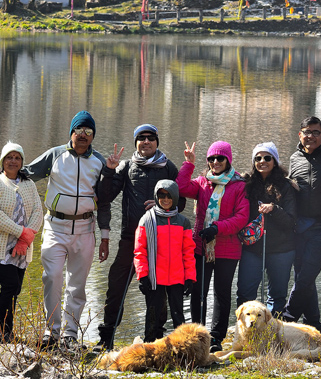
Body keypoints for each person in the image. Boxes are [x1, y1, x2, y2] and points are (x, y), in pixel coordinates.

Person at [23, 110, 112, 350]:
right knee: (51, 277)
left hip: (85, 227)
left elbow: (104, 202)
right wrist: (1, 176)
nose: (83, 135)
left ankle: (70, 334)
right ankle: (51, 331)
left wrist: (104, 237)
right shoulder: (55, 155)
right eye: (79, 130)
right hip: (56, 226)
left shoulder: (100, 161)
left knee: (78, 284)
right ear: (71, 132)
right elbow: (27, 173)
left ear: (93, 136)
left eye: (88, 131)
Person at [95, 124, 182, 350]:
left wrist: (162, 203)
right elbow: (104, 197)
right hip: (130, 239)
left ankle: (152, 342)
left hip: (160, 241)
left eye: (150, 138)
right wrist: (108, 171)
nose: (146, 142)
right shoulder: (126, 166)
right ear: (135, 143)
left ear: (156, 142)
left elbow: (181, 202)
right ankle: (106, 340)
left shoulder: (169, 167)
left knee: (155, 292)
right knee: (116, 286)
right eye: (141, 138)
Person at [177, 140, 248, 352]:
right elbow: (179, 187)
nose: (215, 162)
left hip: (228, 248)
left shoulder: (239, 185)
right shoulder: (201, 183)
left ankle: (217, 337)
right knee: (199, 292)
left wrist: (216, 228)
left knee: (222, 293)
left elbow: (241, 217)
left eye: (220, 158)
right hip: (202, 247)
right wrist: (188, 164)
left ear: (228, 160)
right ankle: (199, 334)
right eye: (211, 159)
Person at [281, 117, 321, 332]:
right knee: (302, 278)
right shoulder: (294, 158)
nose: (311, 136)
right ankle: (314, 326)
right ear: (300, 135)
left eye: (316, 132)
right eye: (307, 132)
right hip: (299, 227)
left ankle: (286, 320)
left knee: (306, 276)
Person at [0, 142, 44, 343]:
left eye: (17, 157)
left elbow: (38, 213)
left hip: (22, 246)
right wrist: (21, 233)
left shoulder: (29, 184)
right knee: (10, 284)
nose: (13, 161)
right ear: (2, 160)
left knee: (15, 290)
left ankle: (7, 332)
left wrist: (26, 238)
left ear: (22, 162)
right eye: (9, 157)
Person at [236, 142, 297, 316]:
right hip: (252, 249)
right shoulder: (245, 184)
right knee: (245, 295)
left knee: (277, 296)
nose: (262, 161)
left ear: (275, 161)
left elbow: (291, 221)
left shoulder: (286, 186)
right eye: (258, 158)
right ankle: (246, 334)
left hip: (282, 249)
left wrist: (274, 210)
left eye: (267, 158)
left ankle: (271, 335)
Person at [134, 180, 195, 342]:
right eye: (161, 195)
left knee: (178, 316)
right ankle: (150, 348)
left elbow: (188, 252)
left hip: (177, 278)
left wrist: (190, 277)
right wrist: (142, 275)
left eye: (169, 195)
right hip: (155, 278)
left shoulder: (183, 222)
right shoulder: (146, 220)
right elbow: (140, 251)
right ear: (156, 196)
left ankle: (181, 349)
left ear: (175, 197)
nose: (165, 199)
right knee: (153, 316)